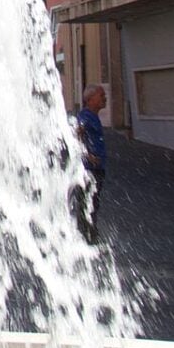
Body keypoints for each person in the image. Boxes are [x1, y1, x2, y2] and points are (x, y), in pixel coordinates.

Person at [73, 84, 108, 244]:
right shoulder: (85, 116)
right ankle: (86, 235)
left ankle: (89, 232)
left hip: (96, 169)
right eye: (101, 96)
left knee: (92, 201)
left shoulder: (92, 116)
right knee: (88, 202)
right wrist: (86, 154)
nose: (104, 98)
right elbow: (76, 134)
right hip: (89, 170)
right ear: (90, 99)